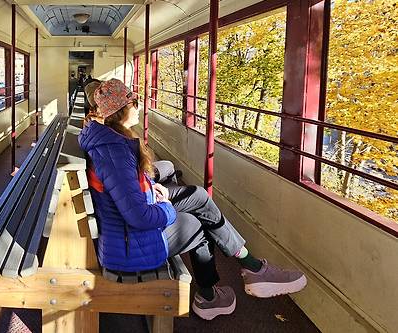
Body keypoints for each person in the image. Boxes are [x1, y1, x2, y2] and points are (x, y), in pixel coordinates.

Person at [78, 79, 306, 321]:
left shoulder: (112, 140)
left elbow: (127, 187)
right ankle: (216, 292)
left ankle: (249, 269)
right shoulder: (114, 151)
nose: (138, 105)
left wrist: (155, 188)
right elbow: (139, 216)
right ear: (120, 110)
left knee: (198, 195)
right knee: (198, 226)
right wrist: (167, 208)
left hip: (126, 229)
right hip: (129, 245)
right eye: (134, 101)